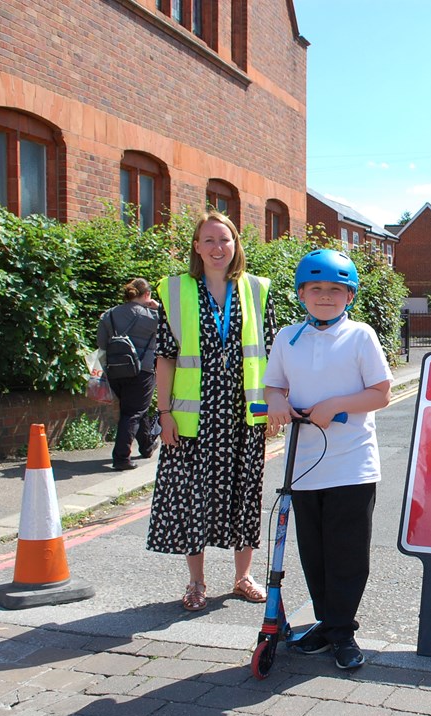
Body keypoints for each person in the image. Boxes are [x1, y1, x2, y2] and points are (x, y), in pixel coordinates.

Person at [262, 249, 392, 670]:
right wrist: (278, 404)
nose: (324, 296)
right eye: (315, 288)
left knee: (347, 554)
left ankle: (342, 632)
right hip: (303, 465)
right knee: (314, 553)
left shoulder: (361, 336)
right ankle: (326, 621)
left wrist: (335, 403)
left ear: (349, 296)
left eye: (335, 289)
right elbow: (274, 387)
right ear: (300, 293)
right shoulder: (287, 337)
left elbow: (380, 393)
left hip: (351, 464)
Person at [148, 211, 277, 612]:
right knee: (192, 499)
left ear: (236, 244)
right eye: (209, 240)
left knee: (245, 494)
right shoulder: (176, 290)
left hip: (243, 416)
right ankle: (196, 582)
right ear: (196, 247)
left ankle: (242, 578)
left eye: (225, 239)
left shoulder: (256, 290)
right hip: (193, 418)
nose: (217, 248)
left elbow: (272, 355)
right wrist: (164, 412)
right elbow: (166, 358)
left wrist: (272, 407)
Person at [96, 278, 159, 470]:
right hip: (142, 370)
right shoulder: (152, 316)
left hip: (116, 369)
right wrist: (159, 307)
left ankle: (147, 445)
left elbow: (101, 343)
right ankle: (121, 458)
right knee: (133, 412)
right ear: (147, 294)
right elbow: (177, 323)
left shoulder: (109, 315)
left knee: (134, 409)